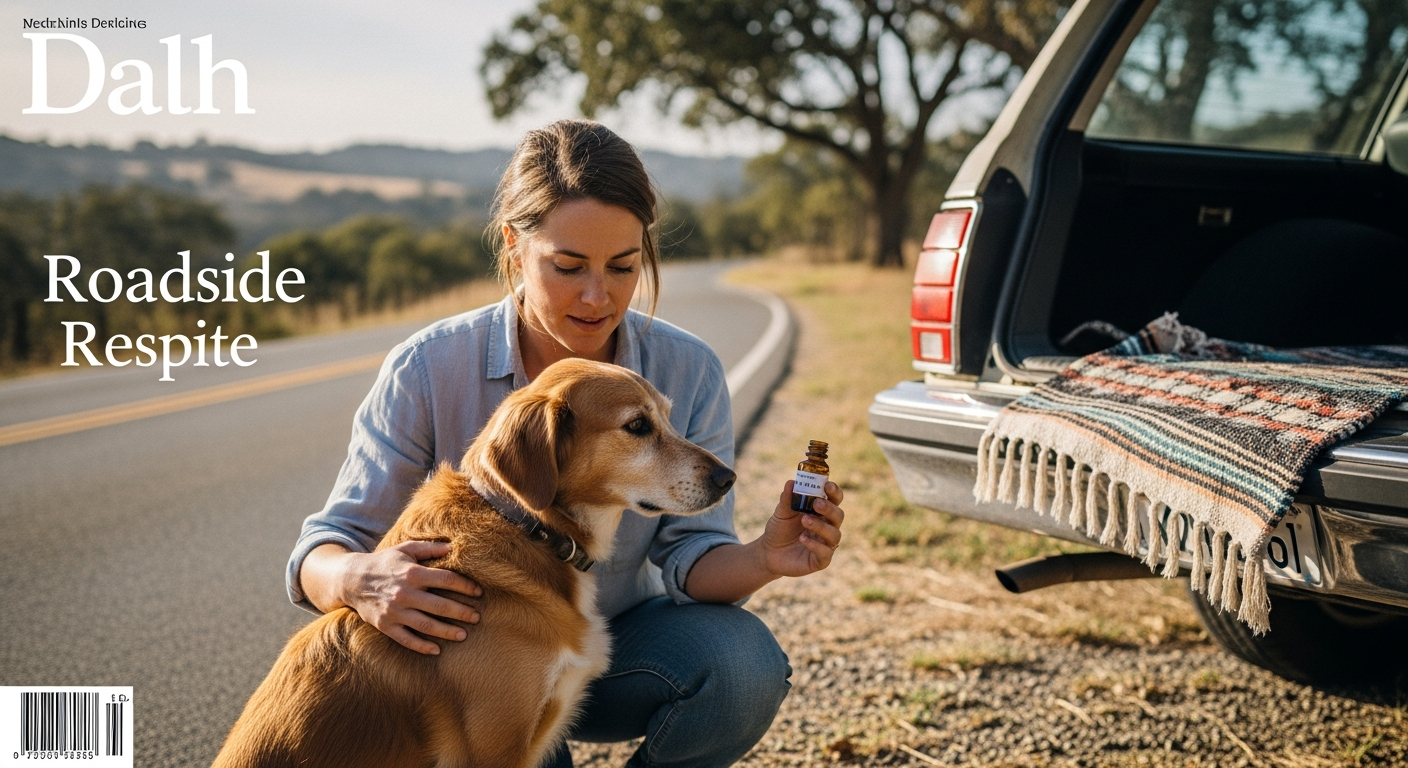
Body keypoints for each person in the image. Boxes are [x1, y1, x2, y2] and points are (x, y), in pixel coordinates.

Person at [285, 119, 846, 768]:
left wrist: (766, 557)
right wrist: (355, 577)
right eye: (568, 266)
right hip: (481, 661)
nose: (597, 295)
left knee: (742, 666)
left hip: (622, 645)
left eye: (623, 267)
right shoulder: (428, 367)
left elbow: (691, 554)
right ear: (514, 246)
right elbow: (330, 542)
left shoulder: (687, 368)